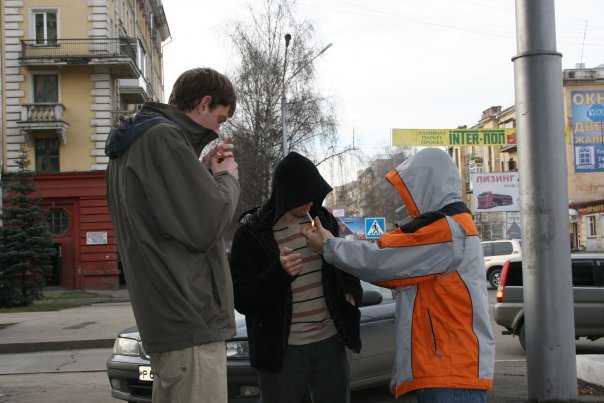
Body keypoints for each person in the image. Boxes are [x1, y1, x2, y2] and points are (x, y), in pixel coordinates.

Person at [301, 147, 495, 403]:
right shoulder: (451, 226)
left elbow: (382, 261)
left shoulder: (446, 230)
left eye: (411, 189)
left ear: (427, 185)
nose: (407, 199)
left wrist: (329, 246)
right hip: (446, 371)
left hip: (449, 376)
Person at [105, 67, 240, 403]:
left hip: (167, 321)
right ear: (204, 103)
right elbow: (206, 227)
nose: (218, 129)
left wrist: (200, 172)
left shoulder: (136, 142)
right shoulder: (165, 140)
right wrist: (227, 178)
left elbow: (164, 217)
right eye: (220, 118)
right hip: (191, 320)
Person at [229, 152, 363, 403]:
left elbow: (346, 266)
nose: (311, 202)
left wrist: (351, 294)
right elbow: (242, 299)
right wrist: (279, 274)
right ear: (287, 194)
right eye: (304, 196)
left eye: (315, 194)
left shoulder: (324, 222)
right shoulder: (252, 235)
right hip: (282, 353)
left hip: (331, 344)